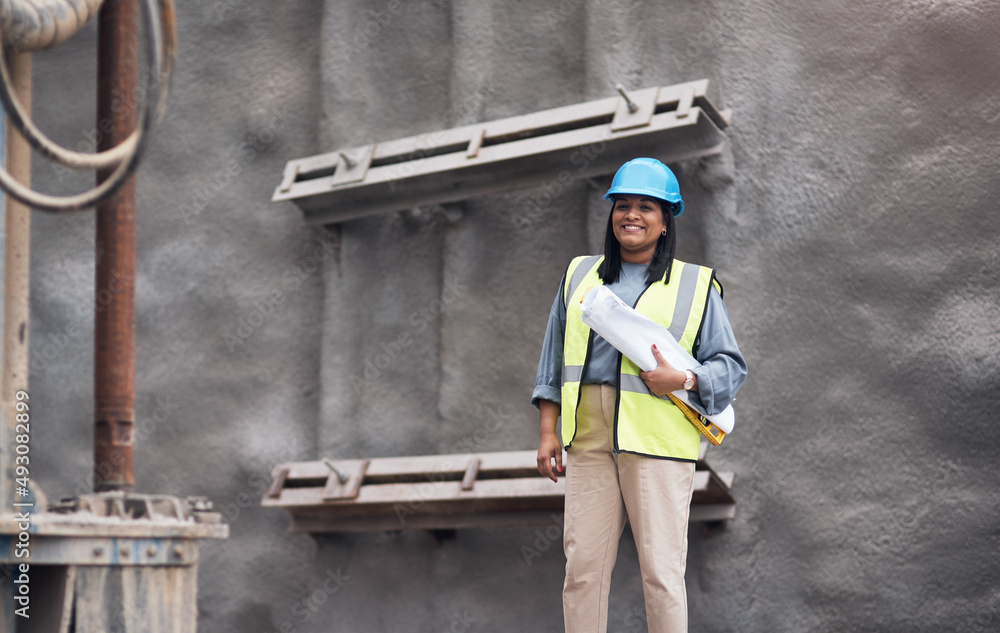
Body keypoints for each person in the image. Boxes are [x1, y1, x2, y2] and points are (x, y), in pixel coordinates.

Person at [532, 157, 747, 633]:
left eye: (646, 207)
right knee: (581, 572)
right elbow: (553, 359)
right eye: (623, 205)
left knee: (662, 575)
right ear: (611, 214)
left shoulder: (695, 285)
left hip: (657, 441)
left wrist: (685, 381)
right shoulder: (578, 276)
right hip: (587, 439)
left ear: (666, 220)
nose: (632, 215)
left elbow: (730, 367)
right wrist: (548, 430)